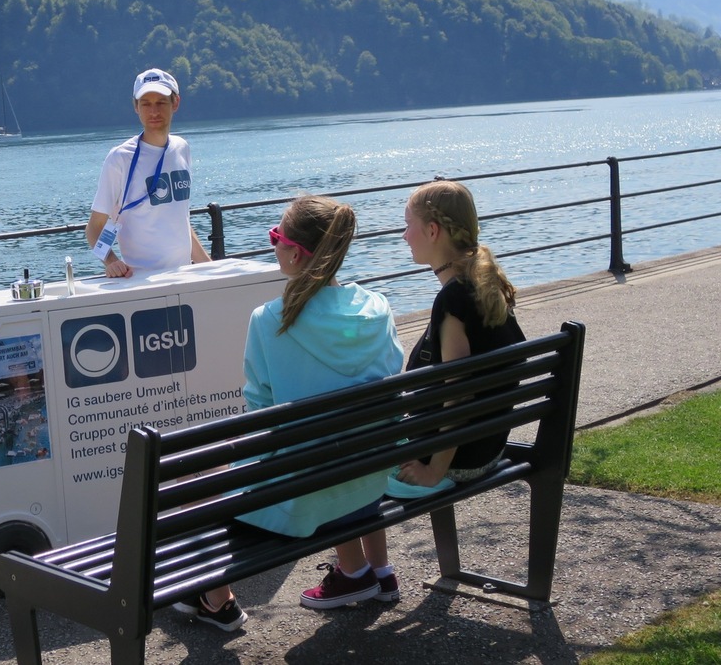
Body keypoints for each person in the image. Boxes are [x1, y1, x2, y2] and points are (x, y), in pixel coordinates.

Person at [174, 196, 405, 629]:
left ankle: (215, 597)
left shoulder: (270, 320)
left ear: (295, 252)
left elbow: (259, 415)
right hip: (368, 480)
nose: (272, 246)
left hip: (303, 497)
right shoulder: (378, 309)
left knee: (194, 478)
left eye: (274, 238)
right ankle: (360, 570)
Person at [394, 178, 526, 488]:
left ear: (432, 231)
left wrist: (433, 472)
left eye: (408, 224)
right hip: (488, 448)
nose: (404, 235)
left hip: (460, 460)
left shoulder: (454, 300)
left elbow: (458, 395)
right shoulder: (487, 285)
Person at [85, 68, 210, 277]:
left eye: (161, 102)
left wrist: (209, 267)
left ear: (175, 103)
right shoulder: (119, 159)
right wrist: (111, 261)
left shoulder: (182, 148)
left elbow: (179, 220)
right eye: (146, 104)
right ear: (136, 107)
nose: (154, 111)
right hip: (142, 283)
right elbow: (94, 229)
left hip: (185, 276)